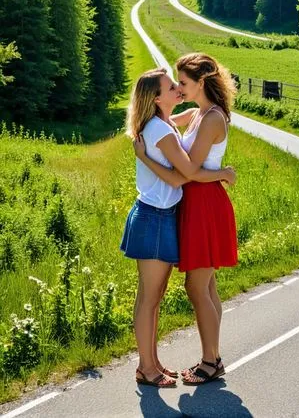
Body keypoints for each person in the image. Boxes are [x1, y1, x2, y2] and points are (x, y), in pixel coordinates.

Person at [121, 67, 235, 388]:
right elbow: (181, 175)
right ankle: (148, 367)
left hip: (163, 215)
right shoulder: (162, 130)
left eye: (180, 83)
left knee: (155, 297)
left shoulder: (169, 122)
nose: (178, 90)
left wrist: (195, 111)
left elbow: (196, 116)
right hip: (155, 216)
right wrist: (223, 173)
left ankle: (154, 364)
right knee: (150, 298)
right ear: (157, 98)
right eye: (173, 86)